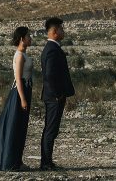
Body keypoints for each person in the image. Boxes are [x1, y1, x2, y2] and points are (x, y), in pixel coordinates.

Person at [0, 26, 35, 171]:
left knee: (20, 126)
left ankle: (16, 160)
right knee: (14, 125)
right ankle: (10, 161)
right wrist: (23, 99)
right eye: (28, 36)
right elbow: (18, 79)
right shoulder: (19, 55)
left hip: (25, 90)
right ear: (21, 39)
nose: (30, 38)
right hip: (20, 92)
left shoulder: (23, 54)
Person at [39, 16, 75, 171]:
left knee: (51, 129)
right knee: (50, 129)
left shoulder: (53, 48)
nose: (63, 31)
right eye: (61, 29)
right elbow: (49, 75)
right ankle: (46, 163)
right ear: (54, 32)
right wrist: (57, 94)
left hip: (54, 96)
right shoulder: (52, 50)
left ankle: (47, 161)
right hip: (54, 97)